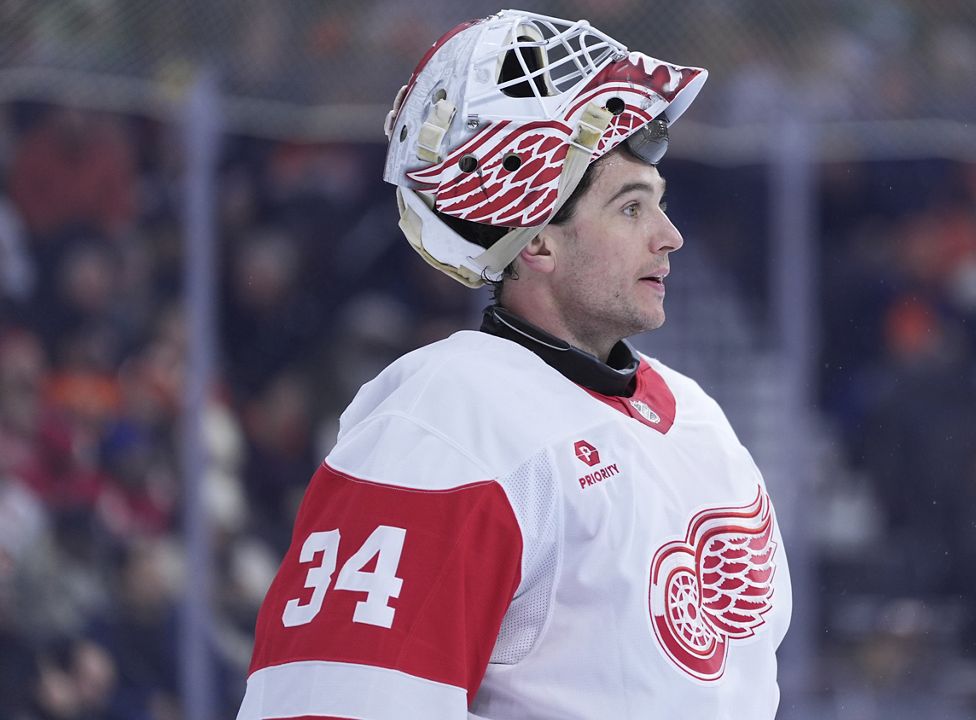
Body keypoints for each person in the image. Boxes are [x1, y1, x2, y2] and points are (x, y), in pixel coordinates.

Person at [236, 9, 792, 720]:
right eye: (629, 209)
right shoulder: (445, 425)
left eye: (657, 204)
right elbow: (332, 702)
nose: (669, 236)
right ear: (536, 243)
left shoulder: (700, 422)